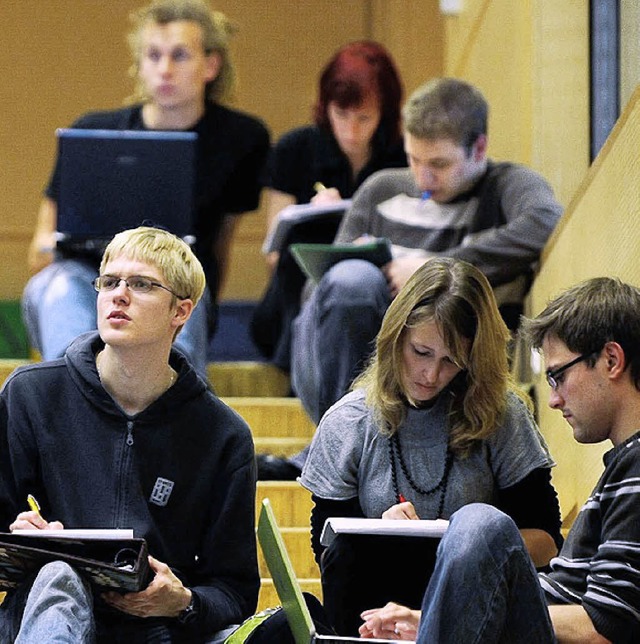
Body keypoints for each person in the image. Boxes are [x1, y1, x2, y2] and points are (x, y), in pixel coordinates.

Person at [260, 76, 563, 480]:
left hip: (447, 364)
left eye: (438, 164)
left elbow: (544, 221)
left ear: (479, 148)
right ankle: (337, 443)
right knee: (350, 280)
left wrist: (434, 267)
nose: (423, 177)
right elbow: (320, 290)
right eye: (414, 160)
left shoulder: (506, 186)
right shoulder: (381, 188)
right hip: (359, 356)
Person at [0, 226, 259, 642]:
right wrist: (20, 539)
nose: (119, 295)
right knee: (59, 574)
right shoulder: (32, 393)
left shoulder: (222, 434)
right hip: (50, 615)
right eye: (109, 282)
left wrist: (182, 601)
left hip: (157, 629)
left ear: (181, 312)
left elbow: (235, 592)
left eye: (141, 285)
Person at [359, 276, 640, 643]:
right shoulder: (622, 468)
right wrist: (429, 618)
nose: (553, 400)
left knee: (480, 524)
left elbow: (605, 627)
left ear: (612, 360)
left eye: (557, 376)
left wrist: (457, 610)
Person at [298, 257, 563, 637]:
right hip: (374, 613)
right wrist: (377, 534)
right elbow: (328, 550)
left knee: (475, 528)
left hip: (479, 617)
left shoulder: (502, 415)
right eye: (421, 352)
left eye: (452, 361)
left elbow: (547, 542)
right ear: (396, 336)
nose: (431, 375)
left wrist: (462, 541)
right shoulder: (349, 420)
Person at [22, 0, 270, 380]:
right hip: (83, 279)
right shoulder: (93, 132)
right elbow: (40, 251)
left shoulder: (242, 139)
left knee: (176, 300)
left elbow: (219, 248)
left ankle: (171, 412)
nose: (165, 69)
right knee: (59, 291)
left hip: (173, 283)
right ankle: (70, 397)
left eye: (180, 55)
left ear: (210, 65)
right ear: (140, 64)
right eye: (153, 56)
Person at [250, 40, 407, 378]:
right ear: (325, 108)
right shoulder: (296, 148)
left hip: (381, 291)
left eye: (364, 117)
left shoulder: (404, 158)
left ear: (385, 113)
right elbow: (274, 255)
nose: (351, 130)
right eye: (341, 115)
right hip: (296, 299)